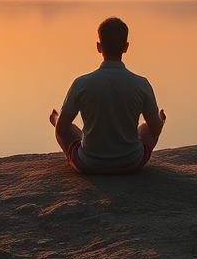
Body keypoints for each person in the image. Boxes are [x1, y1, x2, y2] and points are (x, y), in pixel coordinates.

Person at [49, 17, 166, 174]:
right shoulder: (141, 84)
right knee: (146, 128)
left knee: (62, 129)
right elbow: (155, 131)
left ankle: (56, 121)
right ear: (126, 47)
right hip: (130, 163)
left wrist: (57, 121)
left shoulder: (81, 84)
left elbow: (62, 130)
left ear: (98, 47)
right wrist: (160, 120)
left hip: (89, 164)